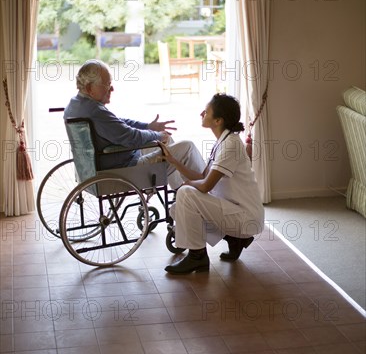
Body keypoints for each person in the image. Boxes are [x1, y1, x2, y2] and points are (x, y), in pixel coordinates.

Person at [160, 93, 264, 274]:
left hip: (246, 217)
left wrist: (186, 185)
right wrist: (173, 161)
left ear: (218, 121)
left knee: (185, 195)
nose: (202, 113)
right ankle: (235, 239)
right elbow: (202, 175)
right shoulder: (223, 141)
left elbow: (206, 185)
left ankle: (197, 256)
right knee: (179, 207)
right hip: (236, 211)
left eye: (206, 111)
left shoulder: (231, 145)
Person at [64, 59, 205, 188]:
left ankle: (180, 191)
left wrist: (148, 127)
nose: (111, 89)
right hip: (123, 169)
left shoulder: (76, 105)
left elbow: (118, 122)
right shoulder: (95, 111)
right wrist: (156, 134)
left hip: (98, 165)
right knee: (187, 147)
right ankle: (204, 187)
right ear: (89, 88)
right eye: (107, 85)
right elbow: (131, 137)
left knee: (167, 143)